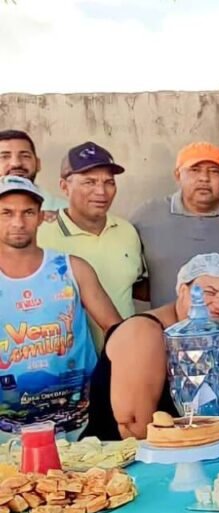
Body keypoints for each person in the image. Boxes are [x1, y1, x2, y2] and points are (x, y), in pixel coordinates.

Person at [0, 176, 120, 439]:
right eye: (6, 213)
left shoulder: (72, 269)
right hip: (7, 436)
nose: (18, 223)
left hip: (82, 427)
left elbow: (118, 331)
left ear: (41, 217)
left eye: (28, 212)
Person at [81, 253, 219, 440]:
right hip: (122, 458)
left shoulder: (204, 337)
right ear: (183, 290)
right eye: (208, 292)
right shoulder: (144, 332)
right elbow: (134, 428)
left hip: (185, 449)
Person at [37, 142, 145, 349]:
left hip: (122, 357)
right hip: (65, 364)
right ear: (64, 186)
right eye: (89, 182)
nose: (101, 192)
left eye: (109, 182)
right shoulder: (41, 235)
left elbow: (135, 288)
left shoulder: (127, 231)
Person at [131, 142, 219, 307]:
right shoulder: (148, 216)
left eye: (214, 172)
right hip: (167, 329)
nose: (204, 178)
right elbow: (125, 277)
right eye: (194, 170)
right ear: (177, 175)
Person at [0, 129, 68, 213]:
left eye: (25, 156)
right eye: (4, 157)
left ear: (38, 164)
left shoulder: (64, 211)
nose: (16, 163)